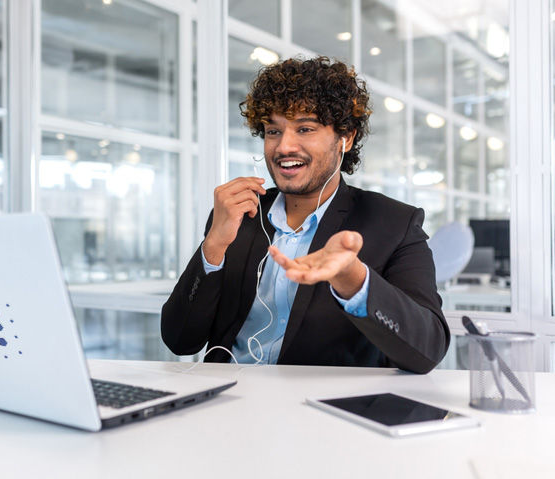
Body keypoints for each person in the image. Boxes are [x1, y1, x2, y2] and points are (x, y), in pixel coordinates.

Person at [161, 56, 449, 374]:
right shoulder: (239, 215)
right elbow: (179, 340)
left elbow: (427, 350)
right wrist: (213, 246)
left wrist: (352, 279)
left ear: (346, 138)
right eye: (273, 131)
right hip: (227, 402)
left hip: (325, 413)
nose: (284, 146)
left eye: (305, 128)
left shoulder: (395, 223)